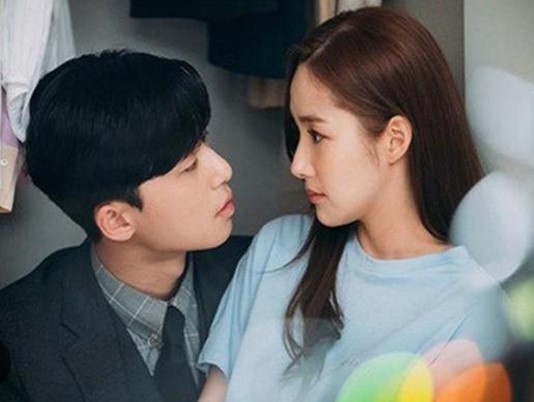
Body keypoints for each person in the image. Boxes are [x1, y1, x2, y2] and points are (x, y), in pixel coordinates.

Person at [198, 7, 513, 402]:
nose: (298, 164)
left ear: (394, 140)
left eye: (317, 135)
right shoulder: (276, 249)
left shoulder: (476, 312)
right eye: (298, 132)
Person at [0, 50, 251, 402]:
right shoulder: (18, 339)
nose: (224, 169)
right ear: (117, 220)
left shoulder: (265, 268)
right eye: (189, 166)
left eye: (204, 142)